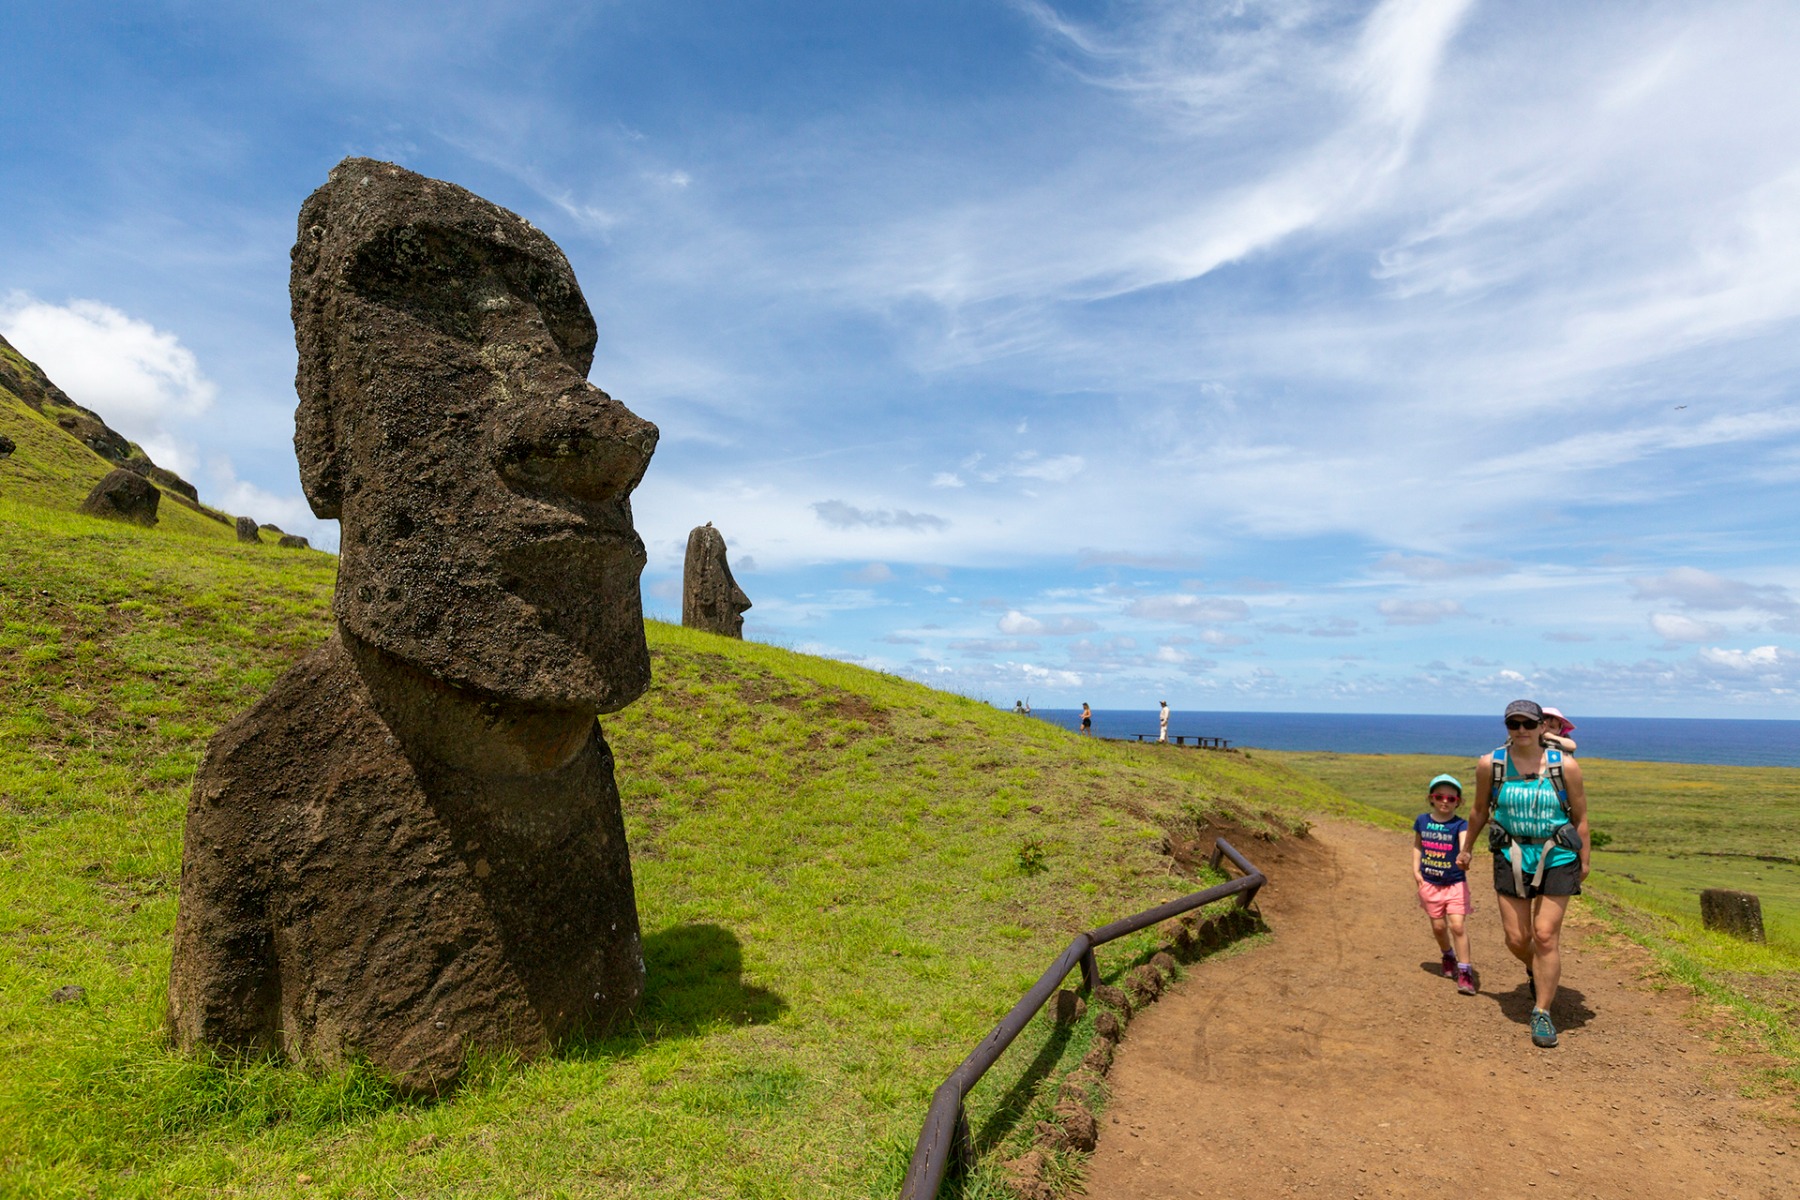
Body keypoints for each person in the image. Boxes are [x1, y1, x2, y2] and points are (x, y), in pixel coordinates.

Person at [1458, 699, 1590, 1049]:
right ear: (1507, 727)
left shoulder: (1566, 766)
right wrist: (1467, 846)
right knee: (1517, 938)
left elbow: (1580, 817)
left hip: (1558, 853)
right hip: (1511, 853)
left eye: (1528, 724)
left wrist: (1585, 860)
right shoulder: (1491, 764)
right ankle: (1536, 969)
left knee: (1545, 935)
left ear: (1540, 726)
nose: (1521, 731)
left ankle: (1542, 1011)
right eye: (1513, 724)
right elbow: (1478, 810)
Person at [1414, 774, 1476, 995]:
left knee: (1457, 926)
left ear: (1458, 801)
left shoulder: (1460, 824)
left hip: (1455, 883)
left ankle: (1465, 971)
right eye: (1440, 796)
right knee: (1439, 927)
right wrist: (1415, 870)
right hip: (1430, 883)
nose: (1445, 802)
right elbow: (1417, 846)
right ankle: (1447, 954)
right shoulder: (1422, 821)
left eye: (1451, 798)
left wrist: (1464, 856)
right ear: (1431, 798)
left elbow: (1464, 846)